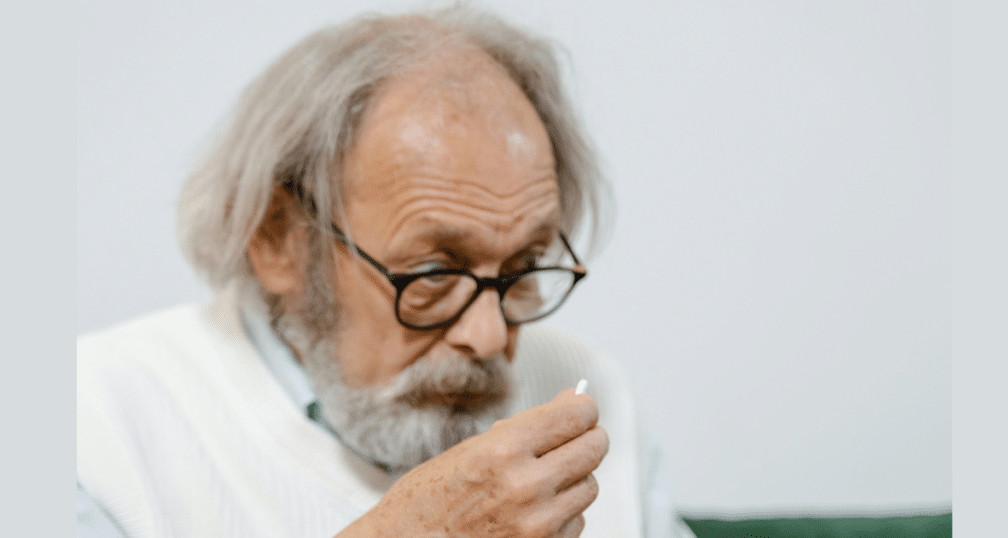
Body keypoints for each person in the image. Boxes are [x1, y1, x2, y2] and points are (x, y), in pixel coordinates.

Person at [77, 6, 695, 538]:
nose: (487, 336)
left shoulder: (590, 392)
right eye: (431, 272)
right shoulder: (93, 421)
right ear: (278, 239)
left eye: (523, 267)